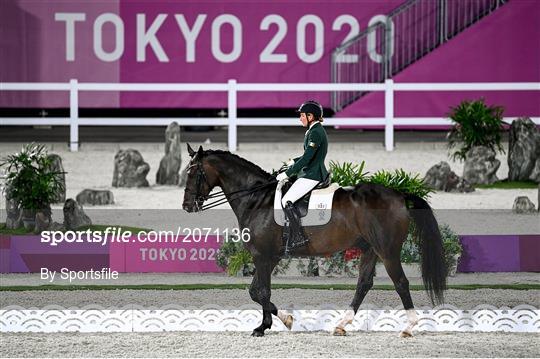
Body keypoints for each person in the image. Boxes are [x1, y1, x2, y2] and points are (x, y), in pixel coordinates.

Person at [276, 100, 329, 250]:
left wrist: (288, 173)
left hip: (313, 174)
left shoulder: (316, 133)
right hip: (309, 171)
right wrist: (293, 161)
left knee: (287, 200)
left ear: (310, 116)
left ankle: (298, 237)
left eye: (302, 115)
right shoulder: (313, 130)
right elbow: (307, 155)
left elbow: (308, 158)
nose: (300, 118)